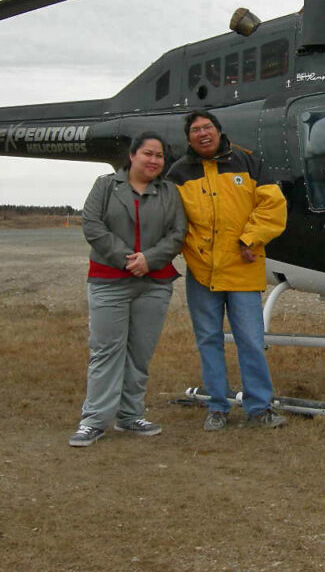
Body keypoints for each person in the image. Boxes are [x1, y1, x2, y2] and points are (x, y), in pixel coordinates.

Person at [165, 110, 288, 431]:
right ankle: (217, 407)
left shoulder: (248, 162)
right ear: (188, 137)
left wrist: (251, 238)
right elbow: (170, 219)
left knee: (250, 339)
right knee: (208, 340)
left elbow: (273, 205)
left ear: (219, 132)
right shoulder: (178, 173)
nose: (202, 133)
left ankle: (259, 406)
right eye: (195, 130)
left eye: (208, 128)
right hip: (202, 273)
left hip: (243, 270)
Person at [69, 132, 187, 447]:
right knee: (107, 351)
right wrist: (128, 260)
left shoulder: (169, 193)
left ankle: (130, 415)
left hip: (154, 283)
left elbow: (178, 233)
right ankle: (94, 420)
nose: (153, 161)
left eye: (159, 156)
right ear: (132, 155)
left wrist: (149, 260)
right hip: (109, 282)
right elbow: (92, 225)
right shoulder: (105, 186)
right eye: (147, 153)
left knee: (139, 353)